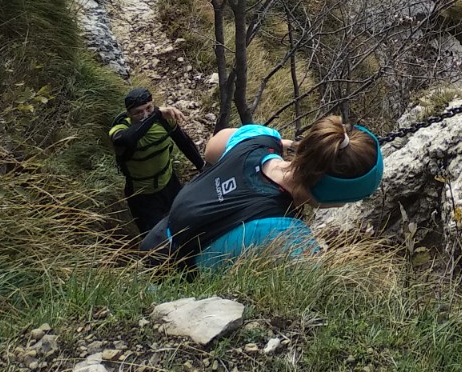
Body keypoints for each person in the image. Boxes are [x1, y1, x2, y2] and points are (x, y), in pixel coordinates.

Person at [140, 114, 382, 272]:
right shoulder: (287, 235)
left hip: (154, 240)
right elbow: (315, 285)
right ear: (331, 194)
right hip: (170, 285)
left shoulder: (259, 139)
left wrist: (282, 144)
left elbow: (212, 149)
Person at [109, 87, 205, 237]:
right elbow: (126, 140)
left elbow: (184, 142)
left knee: (185, 226)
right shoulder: (122, 128)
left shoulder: (163, 120)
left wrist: (202, 166)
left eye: (149, 108)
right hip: (142, 196)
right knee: (155, 240)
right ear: (129, 114)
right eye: (138, 112)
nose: (145, 114)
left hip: (170, 184)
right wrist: (156, 113)